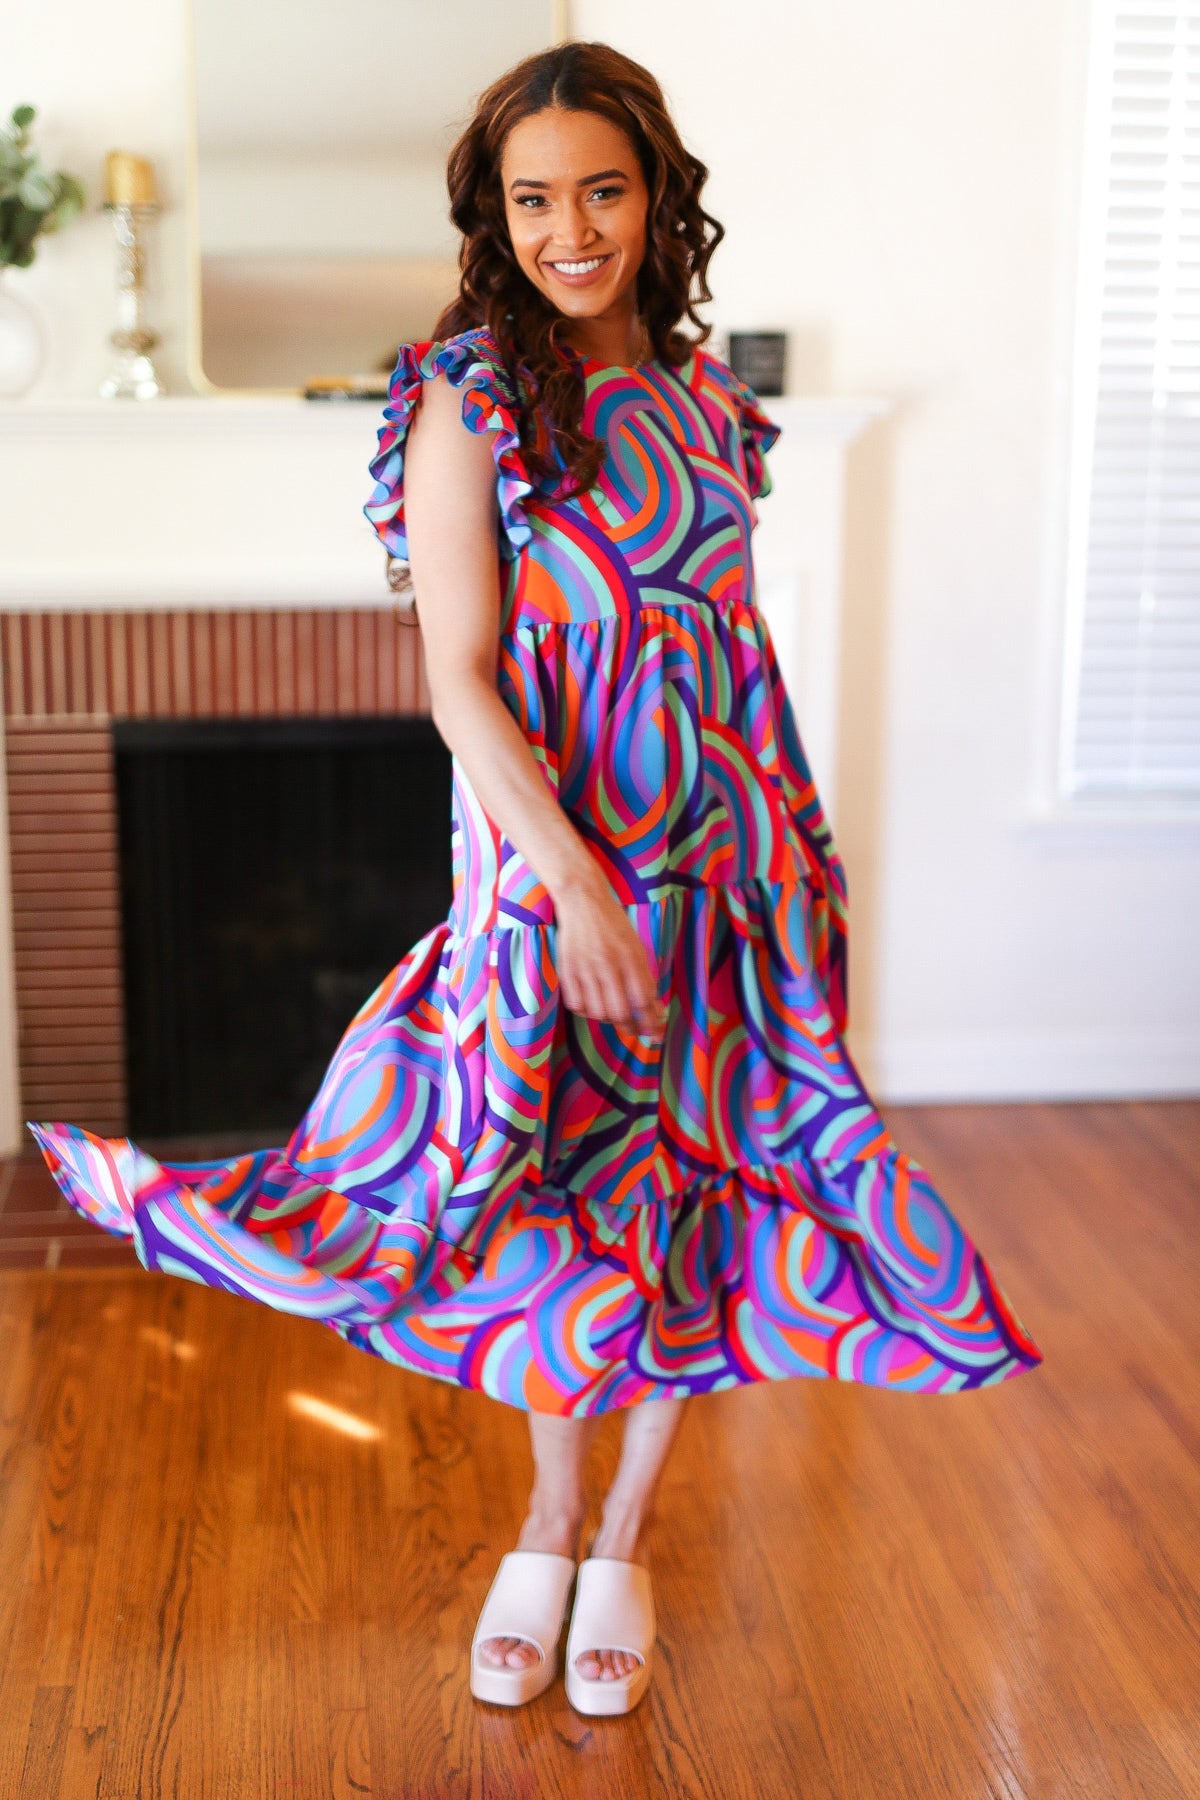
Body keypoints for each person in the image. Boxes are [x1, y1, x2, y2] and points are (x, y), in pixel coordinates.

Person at [29, 40, 1044, 1719]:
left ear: (658, 197)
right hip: (551, 872)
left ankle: (626, 1535)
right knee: (543, 1180)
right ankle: (551, 1520)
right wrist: (570, 885)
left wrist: (790, 861)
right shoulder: (472, 397)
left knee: (703, 1191)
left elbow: (726, 655)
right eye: (534, 200)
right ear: (495, 219)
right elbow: (459, 680)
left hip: (728, 878)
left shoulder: (713, 408)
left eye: (603, 191)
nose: (572, 230)